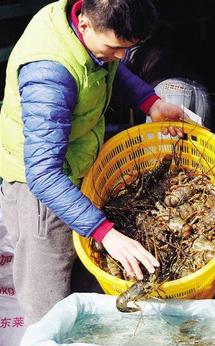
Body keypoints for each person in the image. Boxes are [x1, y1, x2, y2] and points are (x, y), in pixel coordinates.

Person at [0, 0, 186, 324]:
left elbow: (111, 67)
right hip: (41, 194)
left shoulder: (91, 31)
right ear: (84, 25)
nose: (120, 57)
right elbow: (43, 174)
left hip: (78, 169)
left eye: (127, 48)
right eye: (114, 48)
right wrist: (106, 233)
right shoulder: (49, 72)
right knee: (49, 311)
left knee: (87, 294)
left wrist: (151, 101)